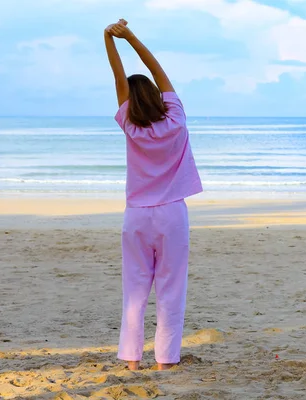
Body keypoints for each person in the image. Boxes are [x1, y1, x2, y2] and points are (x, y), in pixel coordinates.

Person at [104, 19, 203, 371]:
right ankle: (165, 362)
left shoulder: (129, 122)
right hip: (172, 215)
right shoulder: (175, 117)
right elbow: (155, 68)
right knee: (170, 289)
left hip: (137, 215)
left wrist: (108, 39)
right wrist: (129, 37)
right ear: (158, 96)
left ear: (129, 101)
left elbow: (118, 78)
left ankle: (131, 360)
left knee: (135, 289)